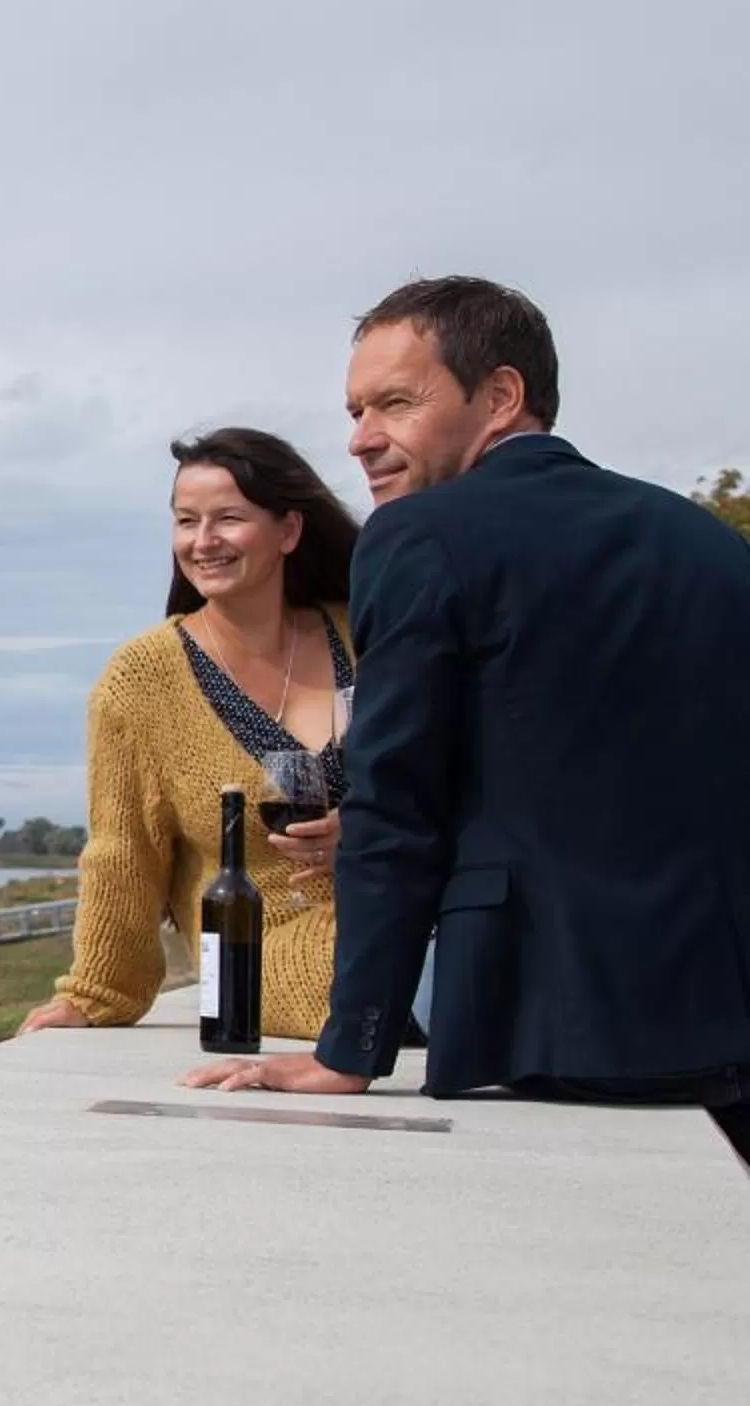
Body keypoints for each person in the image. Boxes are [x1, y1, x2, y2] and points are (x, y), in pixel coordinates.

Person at [185, 277, 750, 1139]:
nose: (361, 440)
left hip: (549, 1030)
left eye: (395, 404)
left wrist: (352, 1048)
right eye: (354, 411)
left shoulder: (419, 537)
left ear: (501, 396)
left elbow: (395, 804)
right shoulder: (706, 541)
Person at [21, 428, 361, 1040]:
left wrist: (372, 834)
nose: (203, 542)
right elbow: (124, 852)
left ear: (289, 531)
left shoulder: (366, 633)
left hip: (406, 911)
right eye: (186, 521)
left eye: (228, 519)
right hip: (265, 954)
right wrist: (97, 993)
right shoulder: (142, 680)